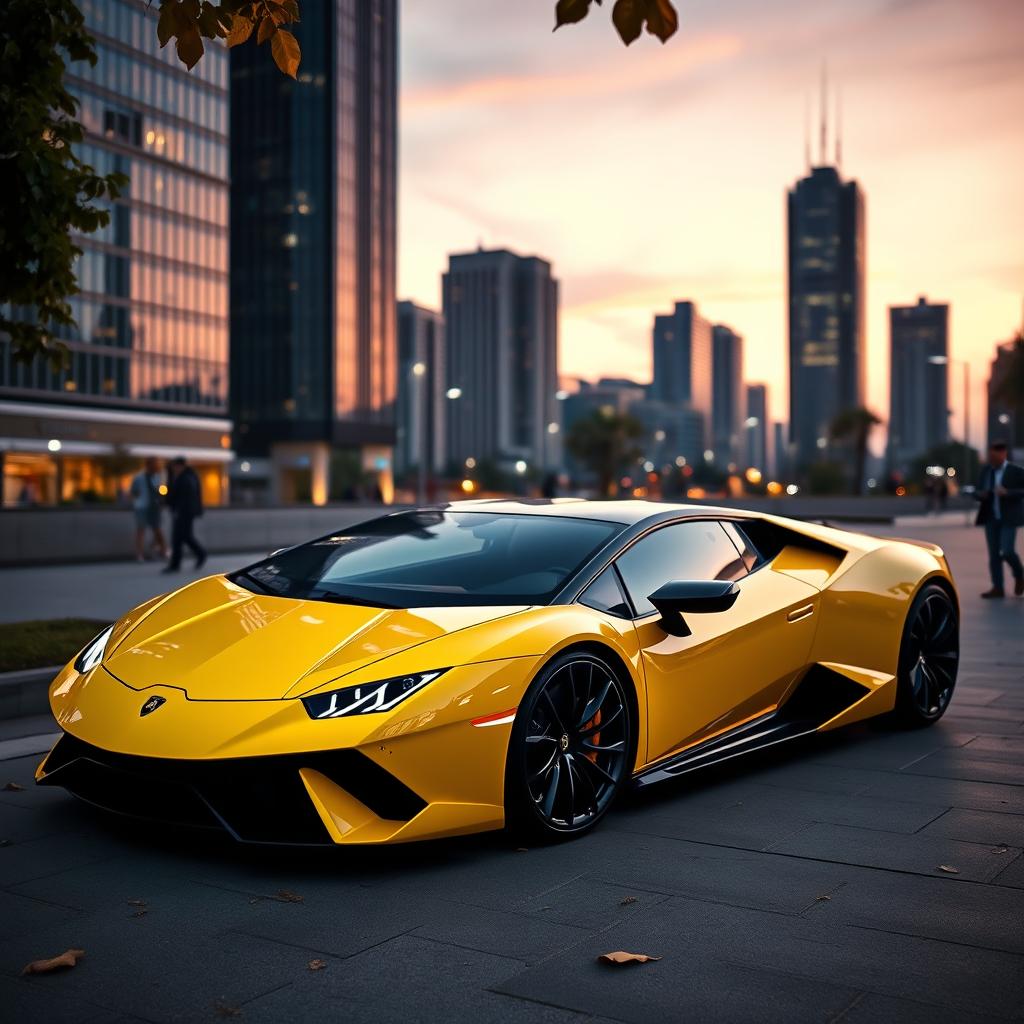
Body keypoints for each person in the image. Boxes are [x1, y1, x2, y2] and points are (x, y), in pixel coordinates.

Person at [973, 441, 1024, 599]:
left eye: (995, 456)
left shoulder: (1015, 471)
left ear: (1003, 454)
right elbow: (977, 489)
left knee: (1007, 551)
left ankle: (1020, 575)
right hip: (991, 517)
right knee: (994, 555)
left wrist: (1008, 493)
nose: (992, 460)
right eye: (990, 456)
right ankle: (997, 587)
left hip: (1009, 518)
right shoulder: (986, 470)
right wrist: (981, 494)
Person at [162, 456, 207, 574]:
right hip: (184, 512)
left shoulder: (186, 478)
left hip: (184, 513)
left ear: (179, 466)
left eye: (174, 466)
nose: (174, 469)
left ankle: (198, 555)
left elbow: (185, 497)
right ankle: (197, 555)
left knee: (180, 537)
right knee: (182, 537)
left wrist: (178, 511)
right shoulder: (187, 476)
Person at [129, 457, 168, 562]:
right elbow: (133, 492)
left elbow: (161, 491)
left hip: (154, 507)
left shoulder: (156, 477)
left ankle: (163, 551)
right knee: (141, 530)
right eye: (155, 465)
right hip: (142, 507)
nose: (156, 467)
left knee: (157, 529)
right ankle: (139, 554)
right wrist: (137, 502)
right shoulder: (139, 477)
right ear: (149, 465)